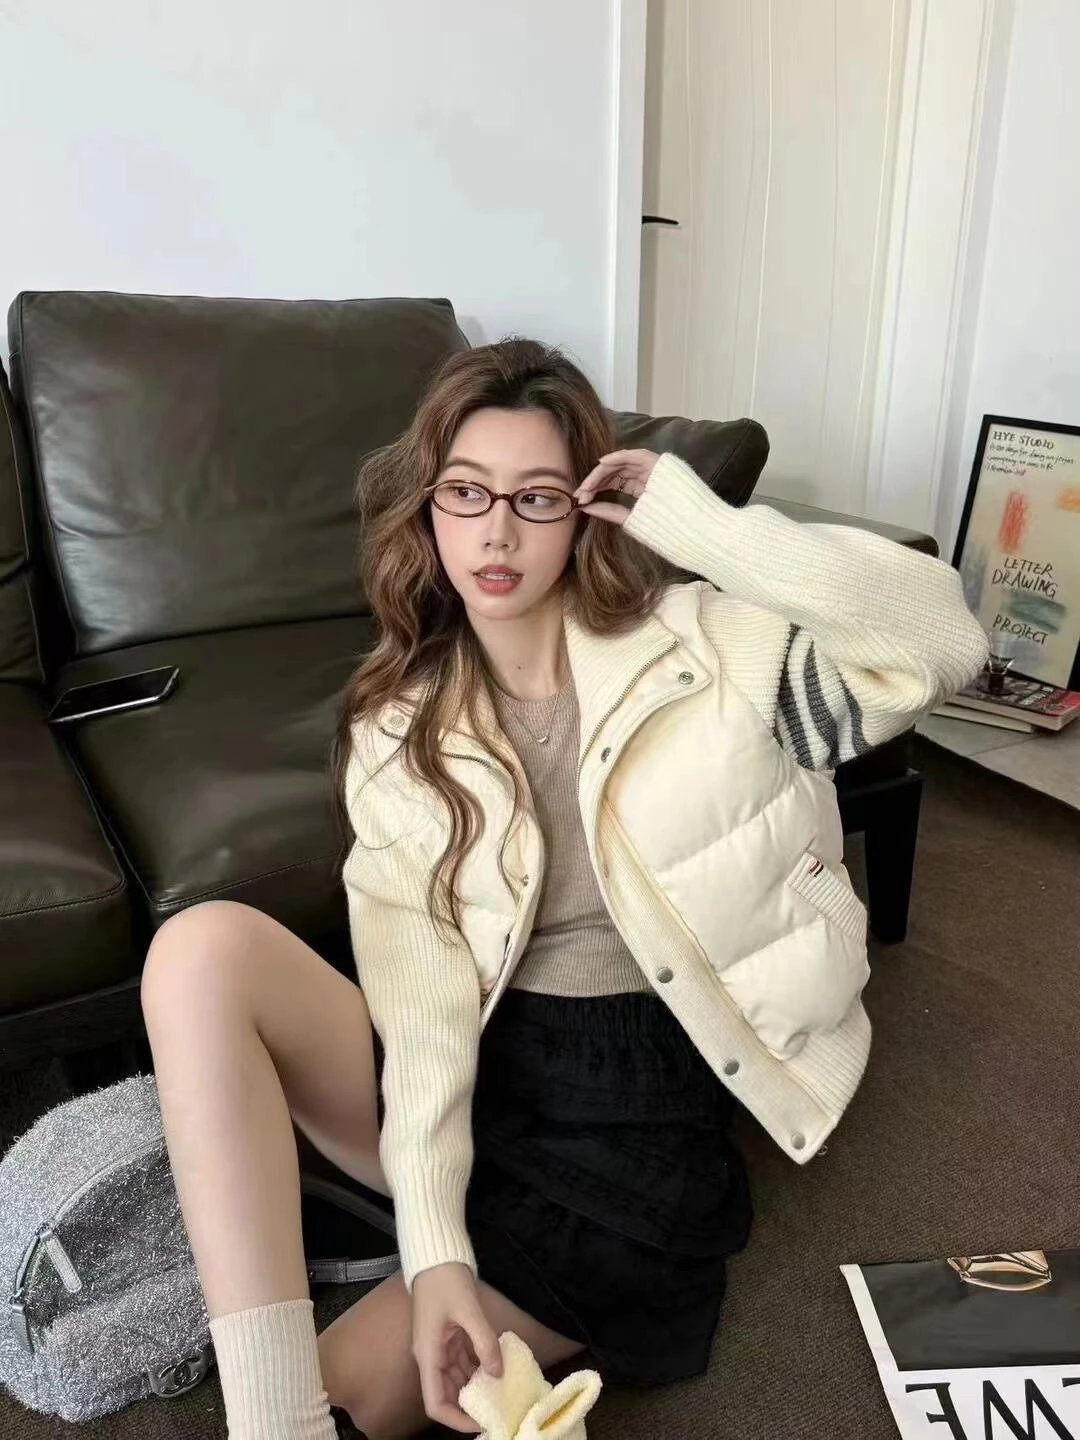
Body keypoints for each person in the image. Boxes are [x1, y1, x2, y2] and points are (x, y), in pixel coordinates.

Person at [141, 338, 989, 1440]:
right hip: (476, 1065)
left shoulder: (715, 656)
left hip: (631, 1115)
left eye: (536, 497)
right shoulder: (399, 728)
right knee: (200, 948)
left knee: (356, 1387)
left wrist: (700, 525)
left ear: (586, 510)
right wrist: (437, 1253)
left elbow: (940, 643)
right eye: (466, 492)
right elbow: (425, 1017)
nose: (496, 533)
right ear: (429, 510)